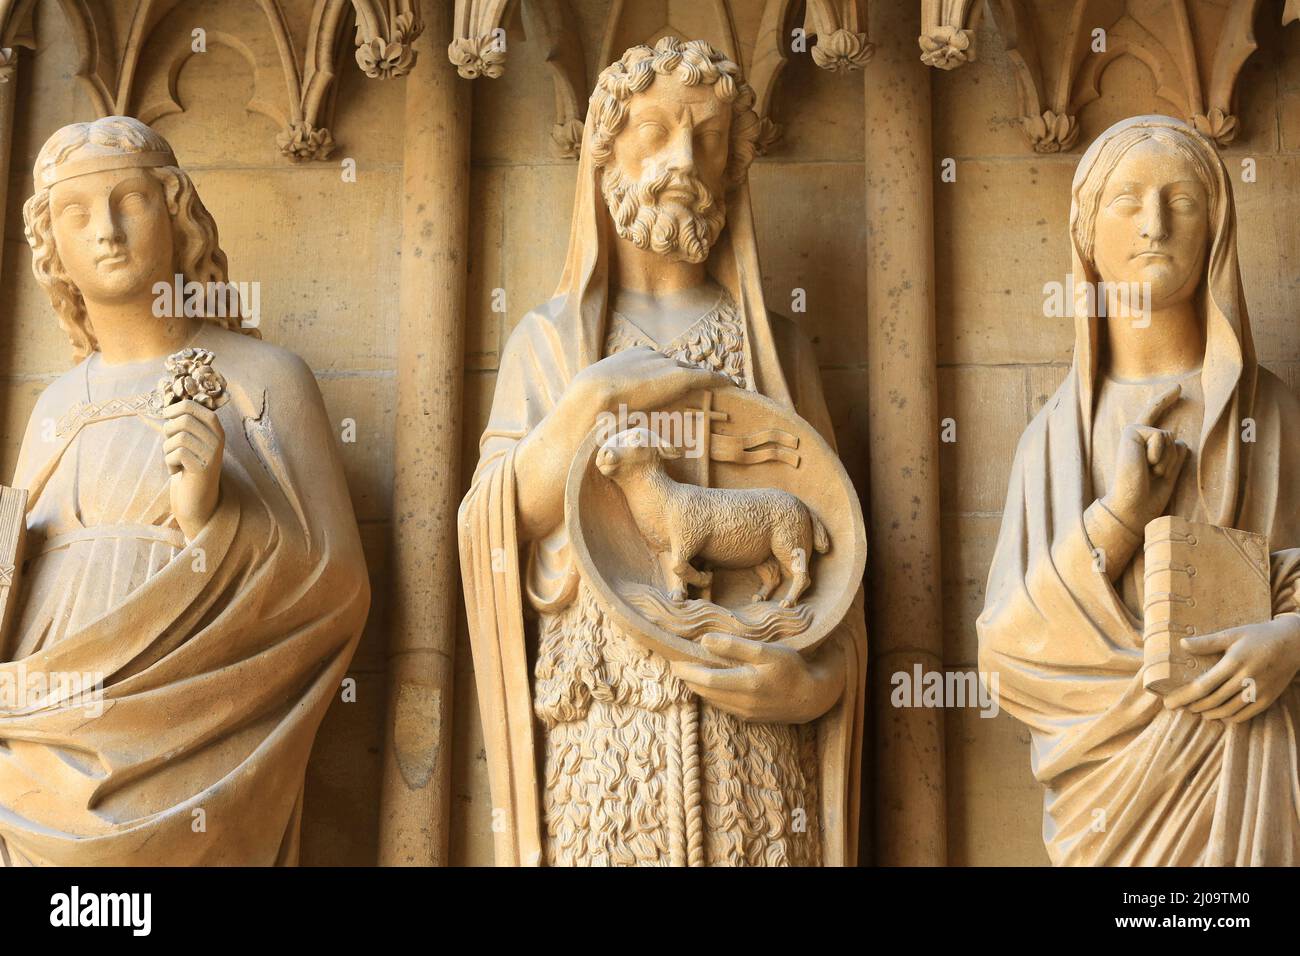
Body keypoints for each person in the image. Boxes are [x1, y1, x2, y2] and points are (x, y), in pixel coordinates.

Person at [459, 37, 867, 866]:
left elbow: (842, 571)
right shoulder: (553, 343)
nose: (682, 160)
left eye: (708, 139)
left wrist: (814, 686)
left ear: (731, 170)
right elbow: (489, 530)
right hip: (606, 751)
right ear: (604, 156)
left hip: (756, 765)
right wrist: (593, 402)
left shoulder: (776, 349)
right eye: (655, 133)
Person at [0, 116, 368, 865]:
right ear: (52, 249)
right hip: (39, 732)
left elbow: (336, 585)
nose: (105, 230)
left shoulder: (263, 379)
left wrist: (213, 512)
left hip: (190, 725)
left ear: (176, 214)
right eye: (76, 213)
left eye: (128, 200)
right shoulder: (52, 407)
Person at [979, 115, 1300, 865]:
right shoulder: (1051, 443)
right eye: (1127, 199)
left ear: (1216, 229)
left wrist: (1293, 641)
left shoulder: (1276, 417)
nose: (1154, 223)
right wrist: (1120, 518)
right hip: (1108, 808)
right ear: (1086, 232)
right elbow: (1004, 655)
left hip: (1253, 781)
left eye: (1182, 200)